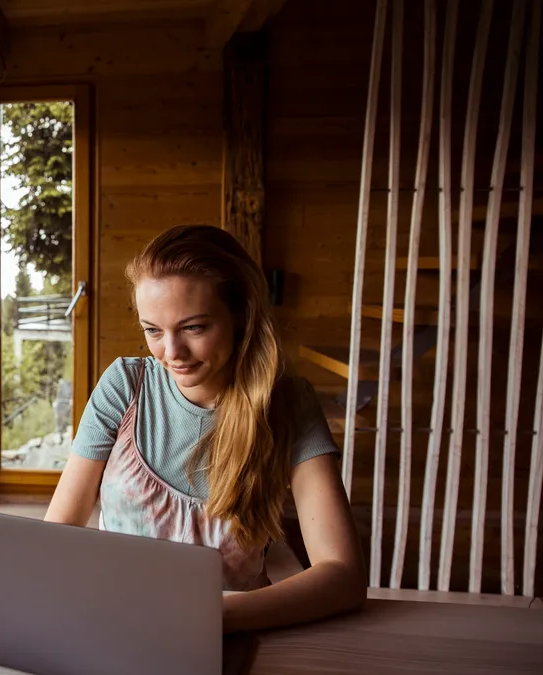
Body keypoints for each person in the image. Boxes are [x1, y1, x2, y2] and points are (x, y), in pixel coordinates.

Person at [45, 224, 365, 633]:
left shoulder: (287, 402)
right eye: (153, 331)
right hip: (115, 625)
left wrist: (208, 620)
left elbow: (343, 574)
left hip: (228, 634)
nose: (172, 353)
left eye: (194, 327)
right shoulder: (125, 386)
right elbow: (56, 538)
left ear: (240, 317)